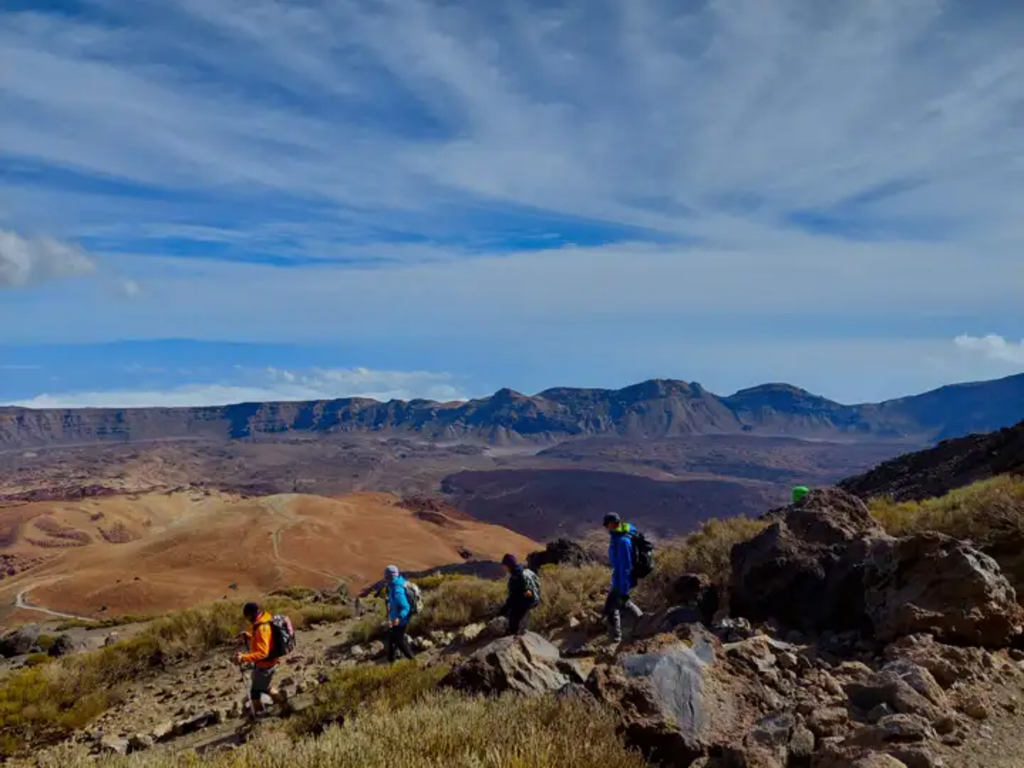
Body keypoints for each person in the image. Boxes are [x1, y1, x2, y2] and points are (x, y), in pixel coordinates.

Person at [234, 602, 289, 716]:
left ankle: (261, 716)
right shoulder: (263, 621)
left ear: (252, 614)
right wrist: (250, 636)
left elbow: (263, 653)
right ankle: (284, 704)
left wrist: (244, 657)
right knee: (265, 688)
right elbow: (264, 640)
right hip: (266, 664)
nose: (248, 619)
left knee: (255, 693)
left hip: (265, 665)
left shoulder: (262, 627)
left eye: (248, 616)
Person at [603, 513, 644, 645]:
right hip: (618, 579)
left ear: (613, 524)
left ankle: (615, 640)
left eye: (607, 525)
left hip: (622, 581)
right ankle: (643, 623)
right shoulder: (616, 537)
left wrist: (624, 589)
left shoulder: (622, 542)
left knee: (612, 609)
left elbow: (626, 567)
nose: (606, 528)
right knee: (623, 605)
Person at [497, 553, 539, 636]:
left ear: (508, 565)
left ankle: (513, 635)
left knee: (513, 617)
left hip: (526, 601)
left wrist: (503, 610)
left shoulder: (515, 578)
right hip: (533, 599)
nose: (504, 567)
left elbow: (513, 598)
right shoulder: (523, 570)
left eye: (504, 565)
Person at [384, 565, 416, 662]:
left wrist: (398, 618)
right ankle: (391, 661)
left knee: (399, 641)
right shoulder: (393, 586)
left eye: (386, 576)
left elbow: (406, 607)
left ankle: (413, 661)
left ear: (391, 576)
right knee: (392, 640)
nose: (385, 578)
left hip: (401, 621)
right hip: (395, 619)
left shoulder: (398, 590)